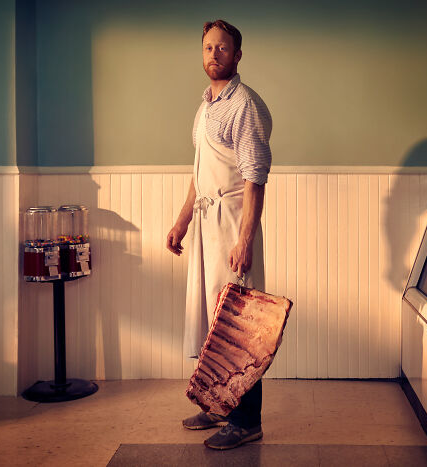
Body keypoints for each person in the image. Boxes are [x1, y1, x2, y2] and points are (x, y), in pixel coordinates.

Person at [166, 19, 272, 450]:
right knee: (213, 320)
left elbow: (255, 177)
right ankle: (219, 404)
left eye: (223, 48)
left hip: (232, 224)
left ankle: (247, 420)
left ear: (237, 55)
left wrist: (244, 240)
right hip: (207, 227)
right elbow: (198, 175)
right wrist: (181, 221)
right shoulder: (207, 106)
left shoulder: (243, 104)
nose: (214, 54)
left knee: (238, 324)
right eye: (208, 47)